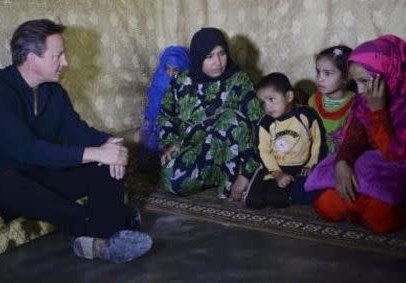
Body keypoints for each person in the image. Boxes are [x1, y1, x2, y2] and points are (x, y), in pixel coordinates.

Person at [0, 19, 152, 263]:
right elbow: (25, 150)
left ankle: (96, 241)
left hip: (36, 172)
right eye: (58, 55)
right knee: (3, 180)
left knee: (104, 166)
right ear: (32, 59)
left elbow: (79, 132)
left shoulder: (53, 91)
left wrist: (113, 146)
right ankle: (106, 224)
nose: (66, 62)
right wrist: (96, 152)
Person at [305, 34, 406, 234]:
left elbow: (397, 155)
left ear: (391, 74)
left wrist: (378, 112)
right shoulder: (362, 102)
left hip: (401, 170)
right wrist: (342, 162)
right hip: (371, 168)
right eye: (356, 84)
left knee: (380, 218)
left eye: (365, 81)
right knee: (325, 205)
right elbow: (354, 137)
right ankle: (361, 202)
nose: (361, 91)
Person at [159, 27, 263, 199]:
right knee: (171, 179)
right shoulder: (182, 81)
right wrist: (170, 145)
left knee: (231, 119)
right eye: (209, 56)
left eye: (221, 54)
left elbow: (257, 125)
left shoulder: (238, 79)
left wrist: (246, 173)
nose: (218, 62)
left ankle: (241, 178)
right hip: (196, 151)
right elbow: (167, 115)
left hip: (234, 154)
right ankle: (216, 177)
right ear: (198, 57)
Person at [244, 73, 327, 208]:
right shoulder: (265, 123)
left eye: (271, 99)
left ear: (289, 96)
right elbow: (264, 152)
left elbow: (318, 141)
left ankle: (287, 189)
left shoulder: (307, 115)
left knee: (276, 200)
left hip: (300, 168)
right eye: (263, 102)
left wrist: (311, 164)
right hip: (272, 168)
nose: (268, 107)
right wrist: (276, 173)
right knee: (253, 201)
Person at [139, 46, 189, 171]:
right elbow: (151, 109)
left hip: (178, 130)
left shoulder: (188, 85)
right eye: (168, 69)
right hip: (156, 126)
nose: (170, 74)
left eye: (176, 70)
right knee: (147, 151)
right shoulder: (159, 79)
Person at [309, 45, 355, 153]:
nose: (320, 78)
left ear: (346, 77)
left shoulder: (355, 103)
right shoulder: (313, 101)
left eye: (327, 73)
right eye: (318, 72)